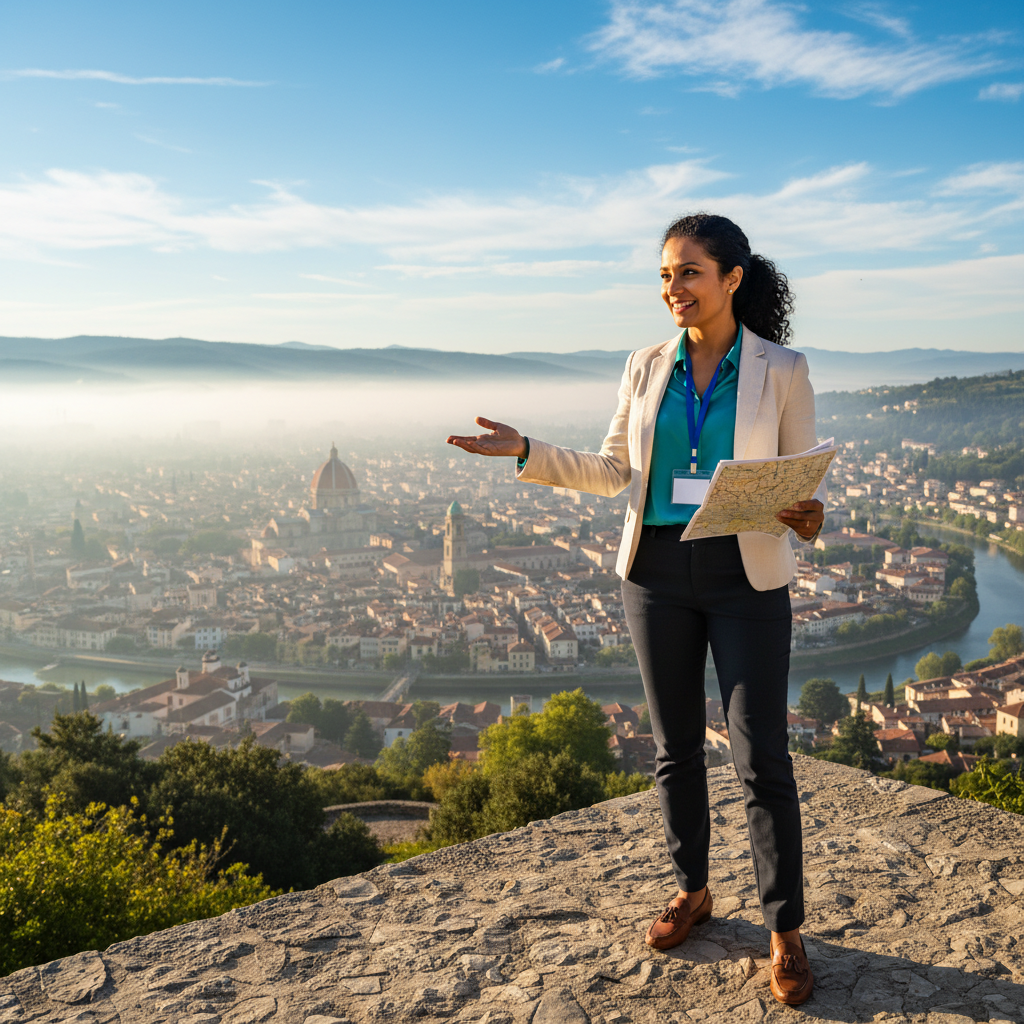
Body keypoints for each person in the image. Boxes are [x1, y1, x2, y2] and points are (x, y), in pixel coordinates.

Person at [447, 212, 823, 1007]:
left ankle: (784, 930)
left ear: (732, 279)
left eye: (689, 272)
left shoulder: (782, 368)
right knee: (675, 748)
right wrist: (524, 451)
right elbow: (614, 467)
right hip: (653, 569)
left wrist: (808, 513)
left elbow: (800, 481)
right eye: (664, 275)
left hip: (745, 570)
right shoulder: (644, 364)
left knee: (763, 758)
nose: (673, 289)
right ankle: (693, 891)